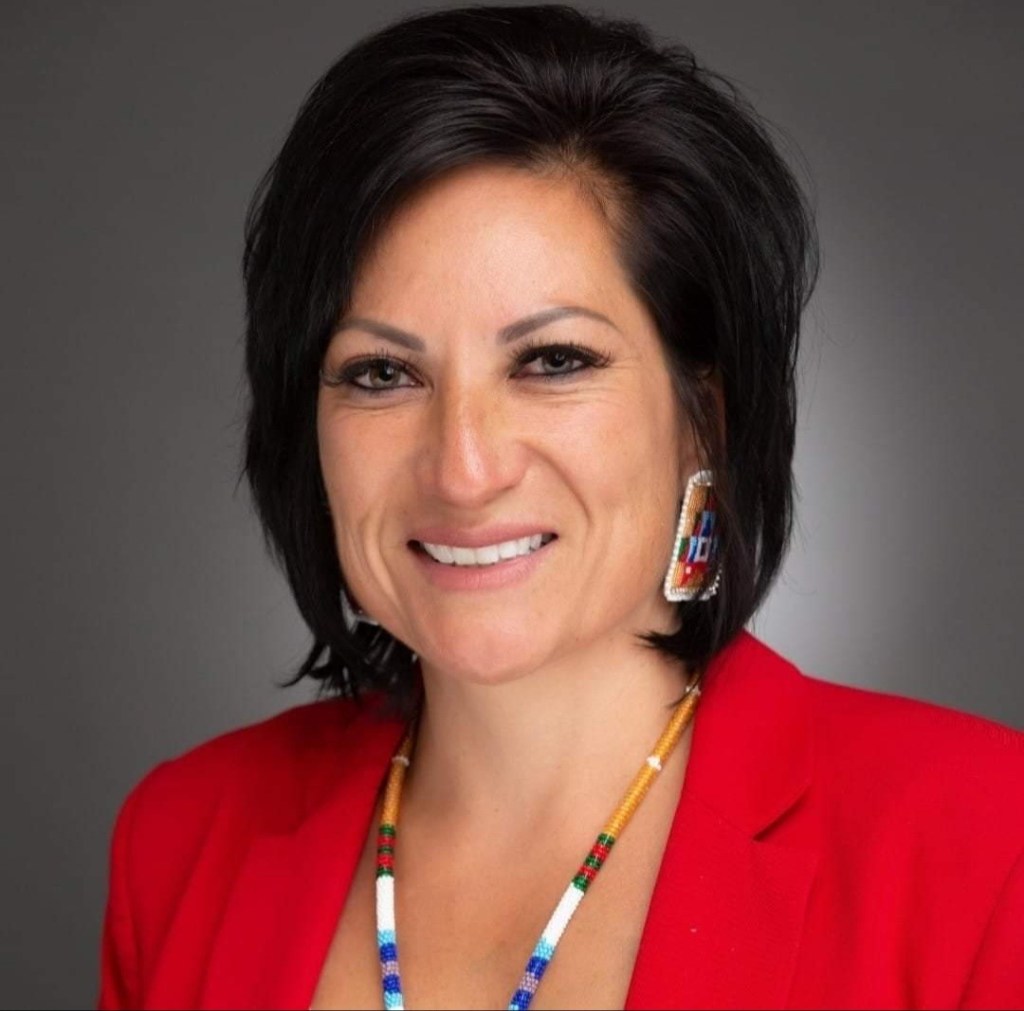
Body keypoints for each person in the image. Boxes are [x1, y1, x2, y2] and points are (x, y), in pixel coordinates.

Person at [97, 5, 1024, 1009]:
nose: (462, 468)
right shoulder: (184, 838)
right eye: (380, 374)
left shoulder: (983, 846)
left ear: (702, 417)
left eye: (552, 361)